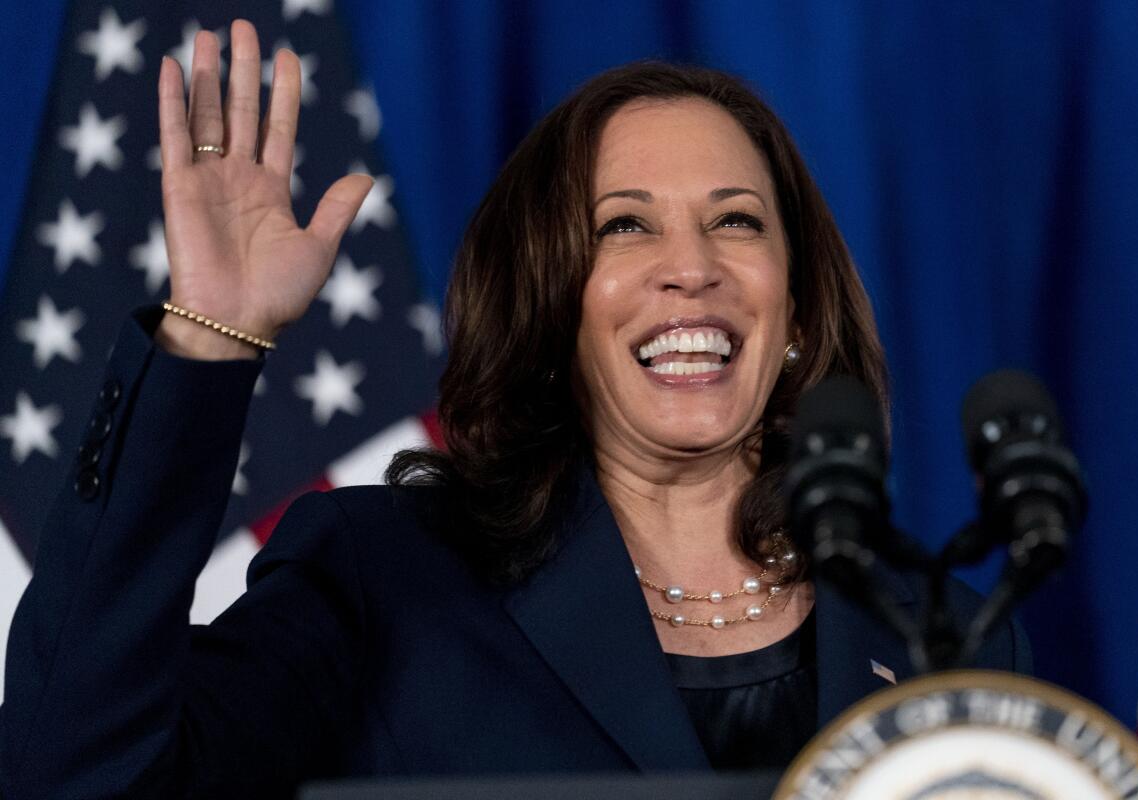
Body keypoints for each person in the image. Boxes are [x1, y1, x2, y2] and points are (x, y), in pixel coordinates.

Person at [0, 19, 1029, 799]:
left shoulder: (942, 630)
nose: (693, 269)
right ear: (550, 305)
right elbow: (74, 769)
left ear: (795, 304)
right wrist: (208, 338)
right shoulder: (389, 580)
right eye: (626, 227)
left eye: (739, 222)